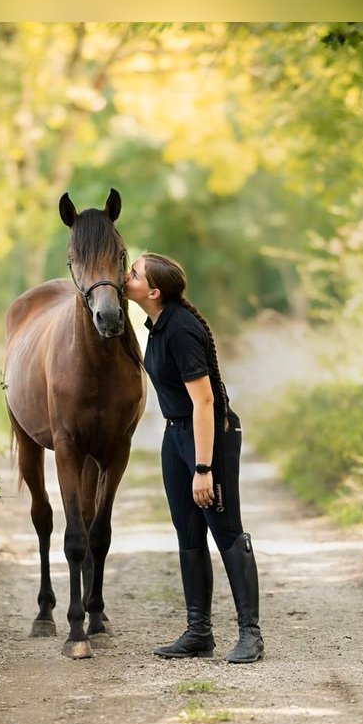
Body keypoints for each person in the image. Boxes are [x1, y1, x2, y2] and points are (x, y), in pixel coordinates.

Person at [124, 252, 265, 663]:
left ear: (153, 291)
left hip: (210, 435)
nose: (125, 276)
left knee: (225, 531)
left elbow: (204, 402)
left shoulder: (181, 330)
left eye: (133, 273)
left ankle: (250, 634)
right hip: (176, 434)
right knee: (187, 532)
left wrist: (203, 468)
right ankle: (198, 631)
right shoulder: (156, 326)